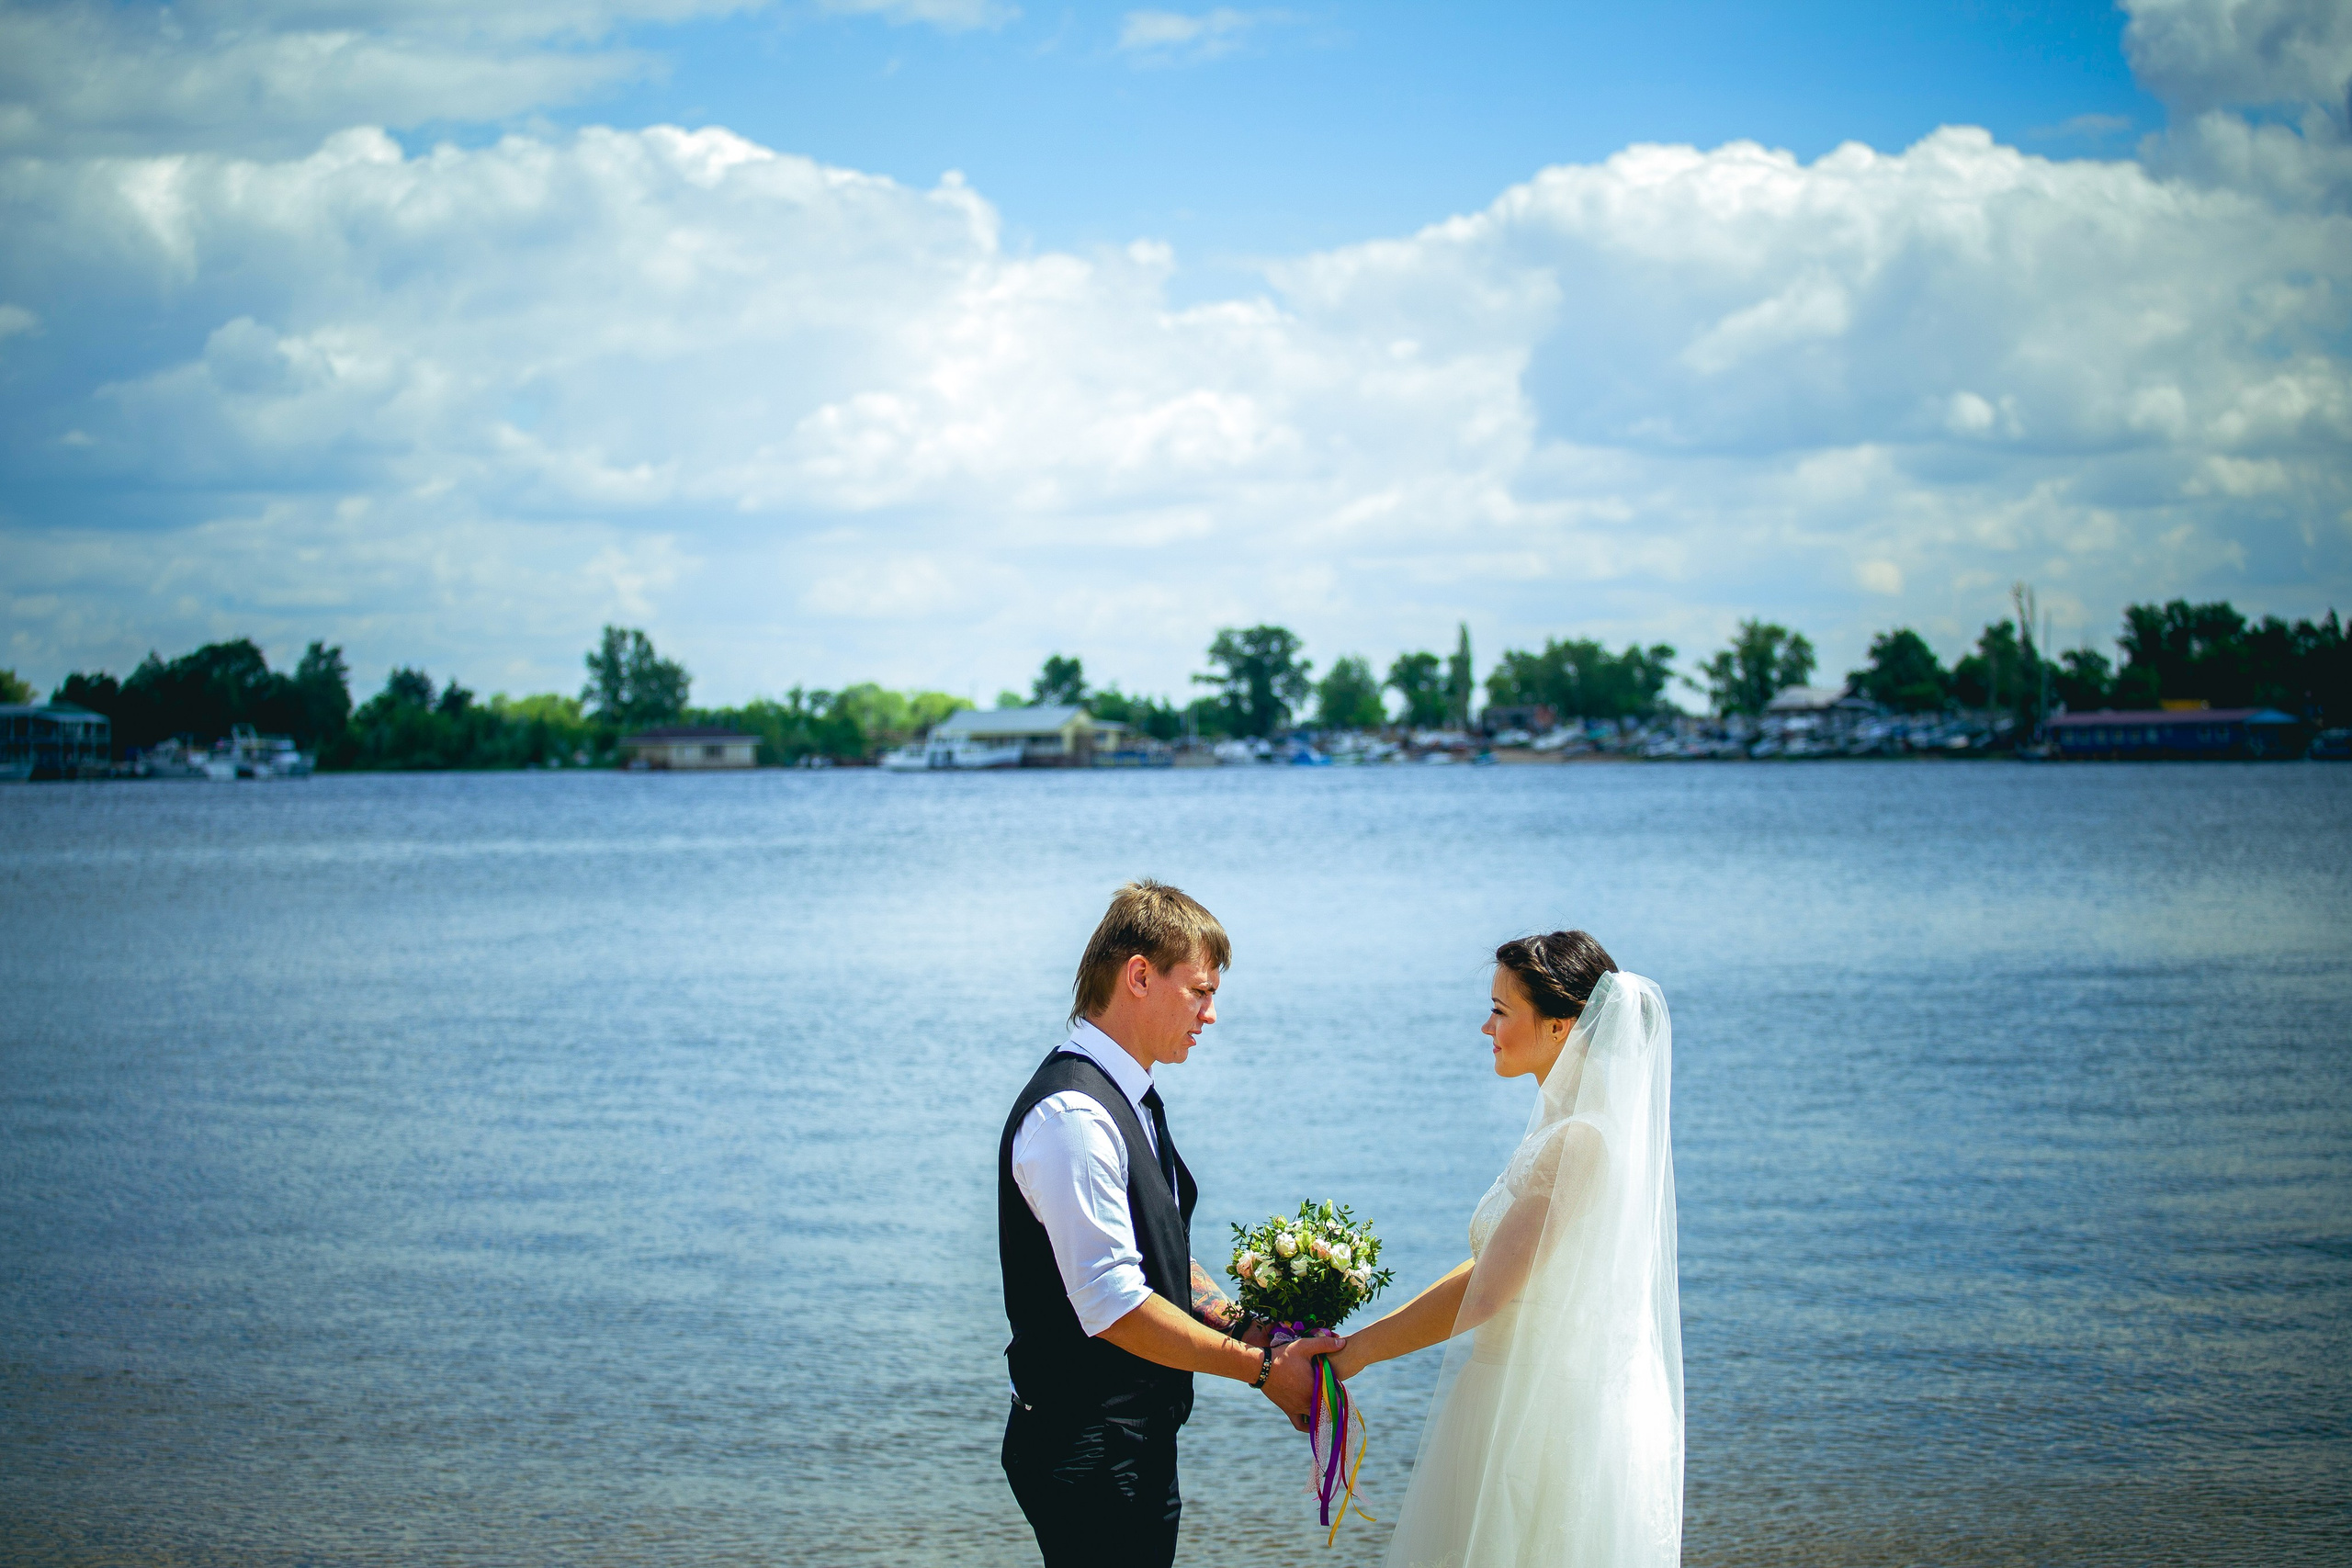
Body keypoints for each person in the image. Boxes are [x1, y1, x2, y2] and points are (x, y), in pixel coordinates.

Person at [999, 880, 1341, 1568]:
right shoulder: (1075, 1118)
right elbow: (1113, 1303)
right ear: (1139, 976)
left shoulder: (1132, 1098)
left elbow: (1157, 1259)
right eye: (1200, 991)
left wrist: (1251, 1326)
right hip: (1087, 1446)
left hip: (1132, 1439)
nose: (1211, 1014)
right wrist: (1262, 1368)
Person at [1331, 931, 1682, 1568]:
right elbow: (1499, 1265)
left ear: (1559, 1026)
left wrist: (1358, 1351)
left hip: (1536, 1422)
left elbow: (1489, 1291)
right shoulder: (1564, 1126)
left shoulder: (1579, 1141)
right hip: (1513, 1396)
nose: (1484, 1026)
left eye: (1500, 1010)